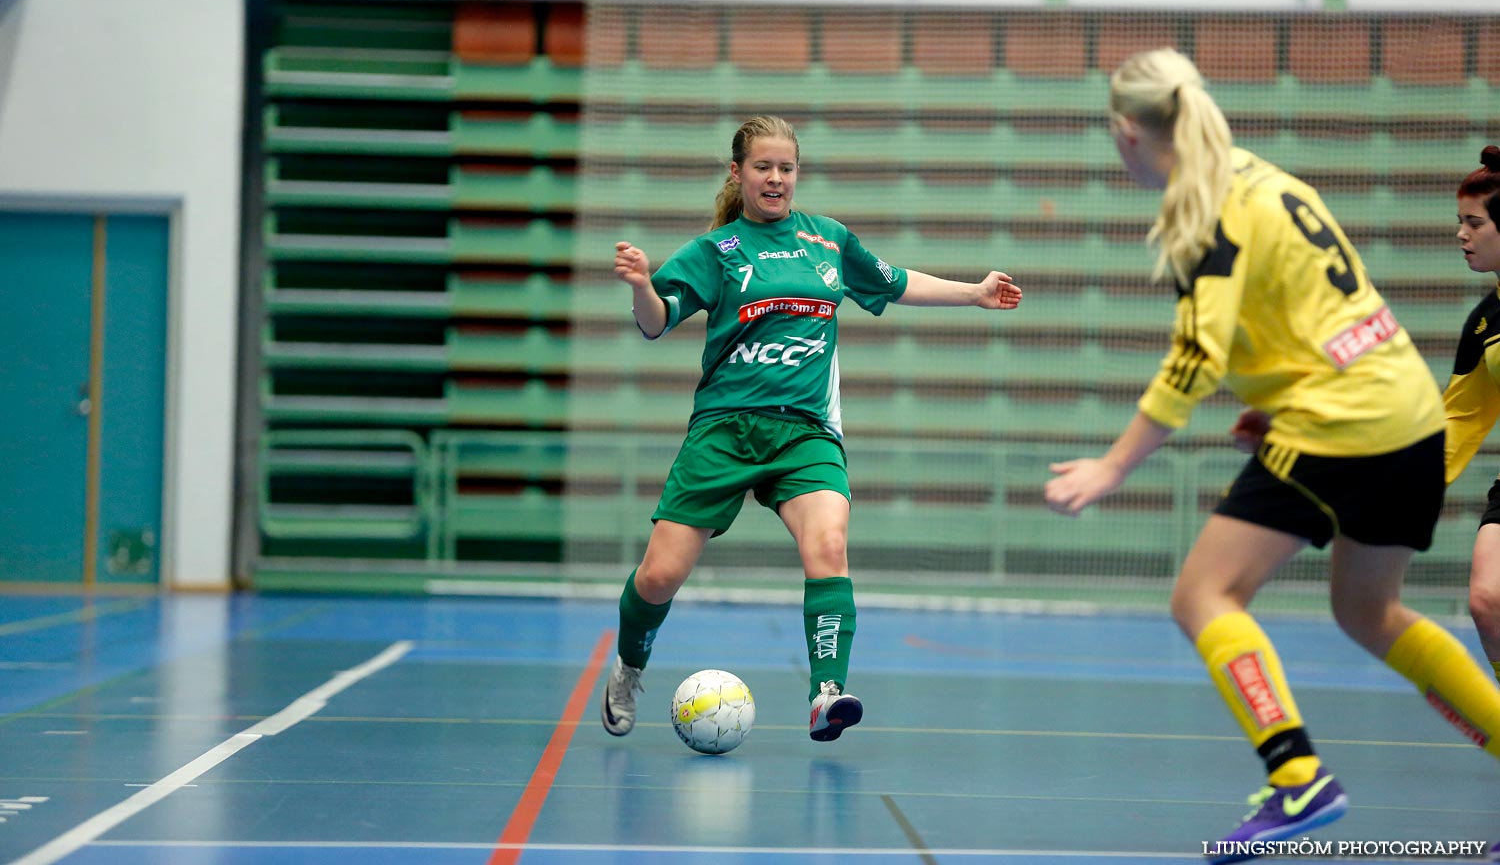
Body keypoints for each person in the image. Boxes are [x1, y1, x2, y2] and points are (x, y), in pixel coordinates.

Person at [1042, 48, 1500, 861]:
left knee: (1203, 594)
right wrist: (1282, 398)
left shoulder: (1207, 210)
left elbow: (1195, 359)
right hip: (1407, 412)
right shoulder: (1265, 177)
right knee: (1371, 613)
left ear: (1127, 134)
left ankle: (1297, 779)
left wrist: (1113, 465)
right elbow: (1324, 303)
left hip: (1343, 424)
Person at [600, 114, 1023, 743]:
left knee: (828, 546)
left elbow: (896, 282)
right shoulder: (715, 252)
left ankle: (827, 693)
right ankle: (629, 667)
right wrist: (641, 285)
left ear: (797, 174)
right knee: (659, 576)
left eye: (787, 167)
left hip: (805, 432)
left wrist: (976, 292)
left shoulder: (828, 242)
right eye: (763, 167)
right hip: (724, 431)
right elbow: (657, 321)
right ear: (738, 173)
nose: (775, 178)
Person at [1441, 144, 1500, 690]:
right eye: (1460, 221)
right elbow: (1459, 421)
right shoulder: (1486, 323)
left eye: (1474, 222)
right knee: (1487, 600)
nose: (1462, 234)